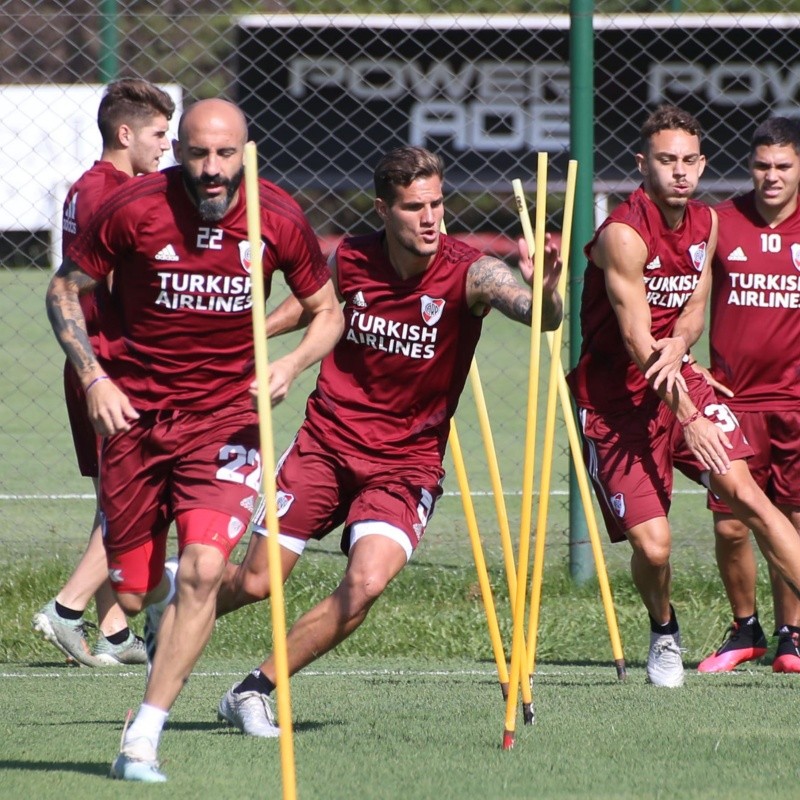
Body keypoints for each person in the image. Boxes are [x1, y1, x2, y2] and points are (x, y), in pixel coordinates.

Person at [204, 144, 563, 738]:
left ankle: (253, 690)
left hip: (406, 462)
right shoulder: (352, 257)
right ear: (383, 209)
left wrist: (545, 290)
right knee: (255, 583)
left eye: (437, 204)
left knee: (366, 583)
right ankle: (180, 604)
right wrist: (250, 340)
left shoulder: (472, 270)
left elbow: (538, 315)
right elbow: (310, 306)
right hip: (327, 441)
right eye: (414, 207)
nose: (430, 218)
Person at [44, 98, 344, 782]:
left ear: (245, 150)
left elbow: (326, 312)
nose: (211, 170)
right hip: (135, 421)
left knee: (208, 569)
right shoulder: (131, 208)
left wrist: (290, 364)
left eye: (225, 154)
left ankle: (143, 736)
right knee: (135, 591)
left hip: (227, 419)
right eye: (197, 153)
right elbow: (63, 292)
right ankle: (157, 604)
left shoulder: (280, 216)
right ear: (177, 147)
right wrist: (93, 379)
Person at [565, 104, 800, 688]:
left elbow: (693, 312)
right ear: (643, 163)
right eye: (666, 160)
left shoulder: (707, 222)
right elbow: (637, 339)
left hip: (678, 380)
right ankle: (664, 628)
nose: (679, 172)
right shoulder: (623, 234)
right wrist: (688, 413)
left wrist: (684, 346)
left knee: (751, 499)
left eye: (689, 161)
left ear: (703, 165)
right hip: (617, 400)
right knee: (656, 544)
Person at [33, 78, 176, 667]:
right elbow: (119, 279)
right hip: (113, 370)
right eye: (159, 135)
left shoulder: (92, 188)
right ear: (125, 134)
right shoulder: (110, 195)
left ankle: (114, 628)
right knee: (136, 500)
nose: (166, 147)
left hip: (100, 365)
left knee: (117, 500)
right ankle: (65, 610)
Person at [695, 117, 800, 674]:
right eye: (762, 166)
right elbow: (691, 303)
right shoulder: (722, 221)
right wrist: (688, 359)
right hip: (734, 403)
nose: (772, 176)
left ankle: (793, 637)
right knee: (732, 522)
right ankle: (746, 630)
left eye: (783, 166)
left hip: (797, 403)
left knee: (793, 516)